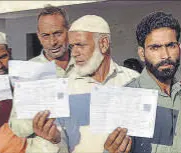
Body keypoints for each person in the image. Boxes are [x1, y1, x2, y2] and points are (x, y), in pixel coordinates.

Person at [104, 11, 181, 153]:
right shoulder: (126, 98)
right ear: (142, 53)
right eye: (155, 47)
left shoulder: (179, 94)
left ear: (179, 48)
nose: (165, 55)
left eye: (171, 45)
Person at [60, 15, 140, 153]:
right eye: (72, 46)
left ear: (103, 43)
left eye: (80, 45)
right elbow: (59, 143)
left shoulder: (134, 81)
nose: (73, 53)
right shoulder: (65, 89)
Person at [8, 5, 73, 153]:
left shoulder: (84, 66)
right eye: (46, 35)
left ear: (68, 31)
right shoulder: (28, 73)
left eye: (57, 33)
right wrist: (35, 122)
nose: (52, 42)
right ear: (38, 36)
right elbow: (16, 127)